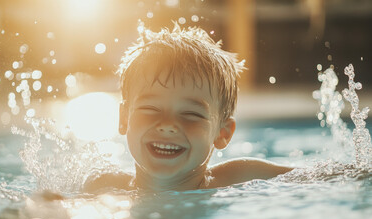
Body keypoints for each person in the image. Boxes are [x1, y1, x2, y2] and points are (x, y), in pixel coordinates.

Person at [83, 23, 293, 193]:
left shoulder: (241, 176)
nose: (167, 125)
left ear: (223, 133)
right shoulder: (102, 186)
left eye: (190, 114)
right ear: (124, 119)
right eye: (150, 109)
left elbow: (321, 177)